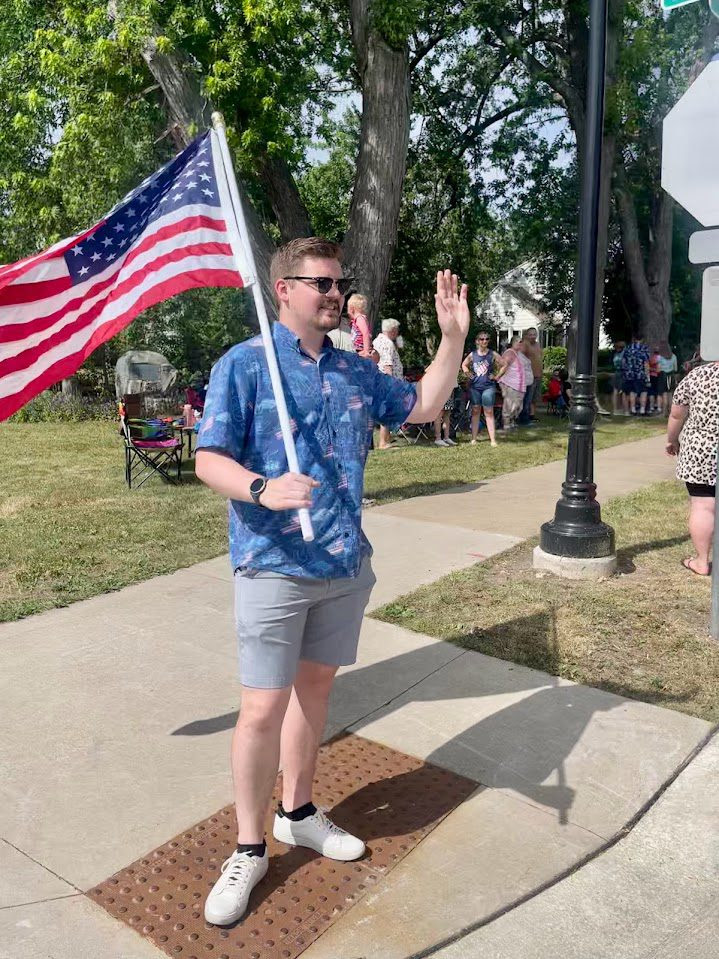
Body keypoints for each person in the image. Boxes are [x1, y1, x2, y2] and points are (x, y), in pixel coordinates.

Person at [194, 238, 470, 926]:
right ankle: (249, 846)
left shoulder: (353, 369)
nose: (334, 293)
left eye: (337, 282)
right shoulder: (245, 363)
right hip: (272, 564)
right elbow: (207, 457)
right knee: (260, 707)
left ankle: (298, 810)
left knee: (313, 693)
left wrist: (452, 339)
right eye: (319, 282)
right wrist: (261, 486)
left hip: (343, 563)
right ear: (282, 288)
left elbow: (424, 407)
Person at [665, 358, 719, 576]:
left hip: (701, 450)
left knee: (703, 505)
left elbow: (677, 413)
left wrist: (671, 440)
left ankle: (701, 561)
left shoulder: (697, 376)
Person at [461, 332, 498, 446]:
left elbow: (504, 364)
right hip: (475, 387)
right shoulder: (472, 355)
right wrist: (467, 373)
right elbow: (464, 364)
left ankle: (492, 440)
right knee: (476, 411)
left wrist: (496, 376)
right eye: (481, 339)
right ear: (477, 341)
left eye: (487, 339)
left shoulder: (492, 354)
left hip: (488, 387)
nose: (484, 341)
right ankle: (474, 439)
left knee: (489, 411)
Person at [373, 318, 404, 450]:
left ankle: (386, 439)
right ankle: (383, 442)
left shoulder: (377, 340)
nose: (397, 333)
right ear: (392, 330)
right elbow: (387, 365)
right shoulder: (387, 343)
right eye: (396, 330)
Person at [496, 335, 526, 430]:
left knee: (518, 406)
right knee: (510, 405)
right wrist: (499, 378)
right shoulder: (510, 353)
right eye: (518, 341)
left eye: (521, 342)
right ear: (513, 343)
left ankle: (512, 422)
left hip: (519, 385)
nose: (520, 343)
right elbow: (501, 365)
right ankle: (506, 424)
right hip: (510, 384)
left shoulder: (518, 354)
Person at [621, 333, 650, 416]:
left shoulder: (628, 348)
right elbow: (646, 363)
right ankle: (642, 410)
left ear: (634, 338)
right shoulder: (644, 349)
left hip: (630, 374)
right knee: (643, 392)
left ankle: (632, 409)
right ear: (642, 339)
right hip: (640, 374)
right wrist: (648, 377)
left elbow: (623, 362)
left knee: (632, 392)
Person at [521, 327, 544, 418]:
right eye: (530, 334)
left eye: (534, 334)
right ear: (527, 335)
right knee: (528, 397)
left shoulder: (538, 344)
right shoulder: (525, 345)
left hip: (538, 375)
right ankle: (524, 415)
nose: (532, 336)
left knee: (535, 397)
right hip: (529, 376)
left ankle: (532, 414)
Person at [347, 293, 373, 358]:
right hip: (357, 349)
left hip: (361, 349)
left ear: (352, 308)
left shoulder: (360, 318)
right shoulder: (356, 320)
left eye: (347, 308)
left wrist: (366, 351)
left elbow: (366, 333)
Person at [516, 342, 535, 426]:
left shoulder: (525, 356)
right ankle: (523, 420)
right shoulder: (518, 356)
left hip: (528, 382)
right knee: (524, 402)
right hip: (523, 383)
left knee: (527, 401)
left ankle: (524, 418)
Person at [657, 341, 678, 415]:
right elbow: (675, 368)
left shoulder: (659, 357)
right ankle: (670, 411)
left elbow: (658, 369)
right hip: (671, 376)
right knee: (670, 394)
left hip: (663, 376)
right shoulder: (674, 356)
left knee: (663, 394)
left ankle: (664, 411)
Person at [612, 341, 625, 414]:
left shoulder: (615, 355)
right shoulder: (623, 355)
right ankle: (621, 407)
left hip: (616, 372)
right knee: (622, 391)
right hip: (622, 373)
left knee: (615, 391)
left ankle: (615, 408)